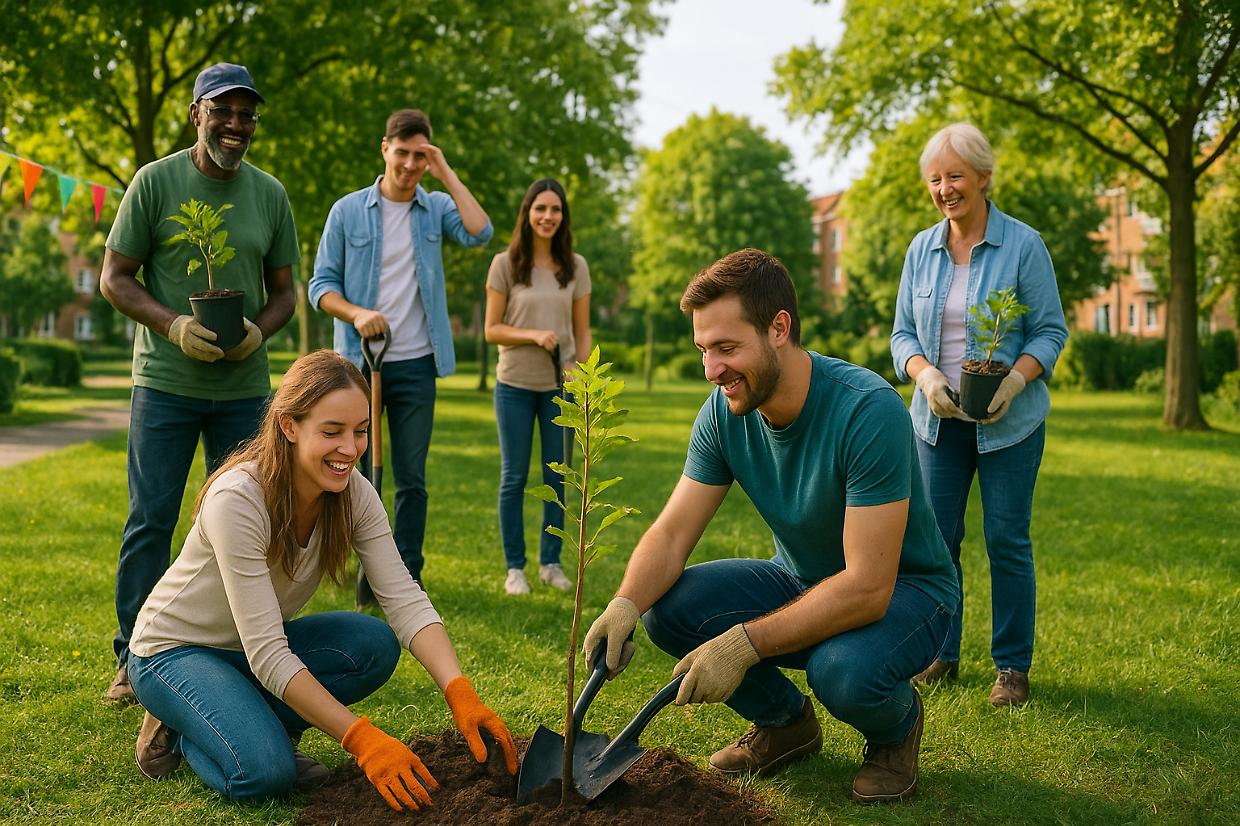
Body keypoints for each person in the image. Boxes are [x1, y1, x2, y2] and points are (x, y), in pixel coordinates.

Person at [583, 249, 959, 804]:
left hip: (908, 592)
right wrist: (624, 603)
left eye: (728, 348)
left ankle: (896, 730)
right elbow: (670, 534)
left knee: (842, 673)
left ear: (779, 328)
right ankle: (786, 725)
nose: (712, 370)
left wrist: (742, 645)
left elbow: (867, 587)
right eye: (704, 350)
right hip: (800, 578)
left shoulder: (867, 410)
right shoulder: (722, 412)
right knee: (670, 608)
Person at [126, 350, 518, 808]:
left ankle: (241, 715)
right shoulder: (238, 500)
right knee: (265, 772)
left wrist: (459, 689)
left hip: (247, 651)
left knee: (372, 644)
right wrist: (360, 738)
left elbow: (405, 599)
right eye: (331, 432)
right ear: (289, 426)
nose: (349, 449)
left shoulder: (354, 494)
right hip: (173, 652)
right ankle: (181, 731)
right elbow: (270, 653)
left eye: (360, 430)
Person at [100, 62, 298, 706]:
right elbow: (115, 277)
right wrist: (175, 324)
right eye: (224, 111)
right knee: (151, 519)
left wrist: (258, 333)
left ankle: (246, 651)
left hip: (244, 390)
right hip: (164, 382)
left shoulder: (270, 195)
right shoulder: (154, 183)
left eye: (247, 115)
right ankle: (135, 656)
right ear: (197, 114)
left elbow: (285, 294)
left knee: (250, 521)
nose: (237, 125)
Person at [890, 122, 1069, 707]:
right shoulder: (921, 249)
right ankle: (941, 651)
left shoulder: (1023, 245)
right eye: (935, 179)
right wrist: (925, 374)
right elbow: (901, 337)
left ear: (984, 177)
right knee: (938, 544)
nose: (945, 189)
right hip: (937, 423)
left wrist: (1016, 381)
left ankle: (1011, 667)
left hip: (1009, 427)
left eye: (956, 176)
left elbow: (1050, 331)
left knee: (1006, 540)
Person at [309, 108, 492, 600]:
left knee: (411, 477)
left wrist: (444, 168)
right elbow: (320, 286)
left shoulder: (433, 209)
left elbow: (480, 232)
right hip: (358, 365)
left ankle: (405, 577)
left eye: (421, 156)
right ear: (384, 148)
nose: (411, 164)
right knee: (356, 470)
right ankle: (351, 568)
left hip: (414, 363)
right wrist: (356, 313)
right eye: (403, 152)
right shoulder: (347, 212)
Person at [484, 179, 591, 595]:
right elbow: (492, 330)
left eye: (556, 210)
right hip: (513, 384)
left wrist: (578, 371)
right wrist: (534, 335)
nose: (548, 216)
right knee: (513, 477)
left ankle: (550, 562)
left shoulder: (575, 267)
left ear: (563, 217)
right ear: (527, 213)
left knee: (558, 476)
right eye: (540, 208)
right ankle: (516, 568)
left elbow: (582, 334)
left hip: (558, 387)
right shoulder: (505, 264)